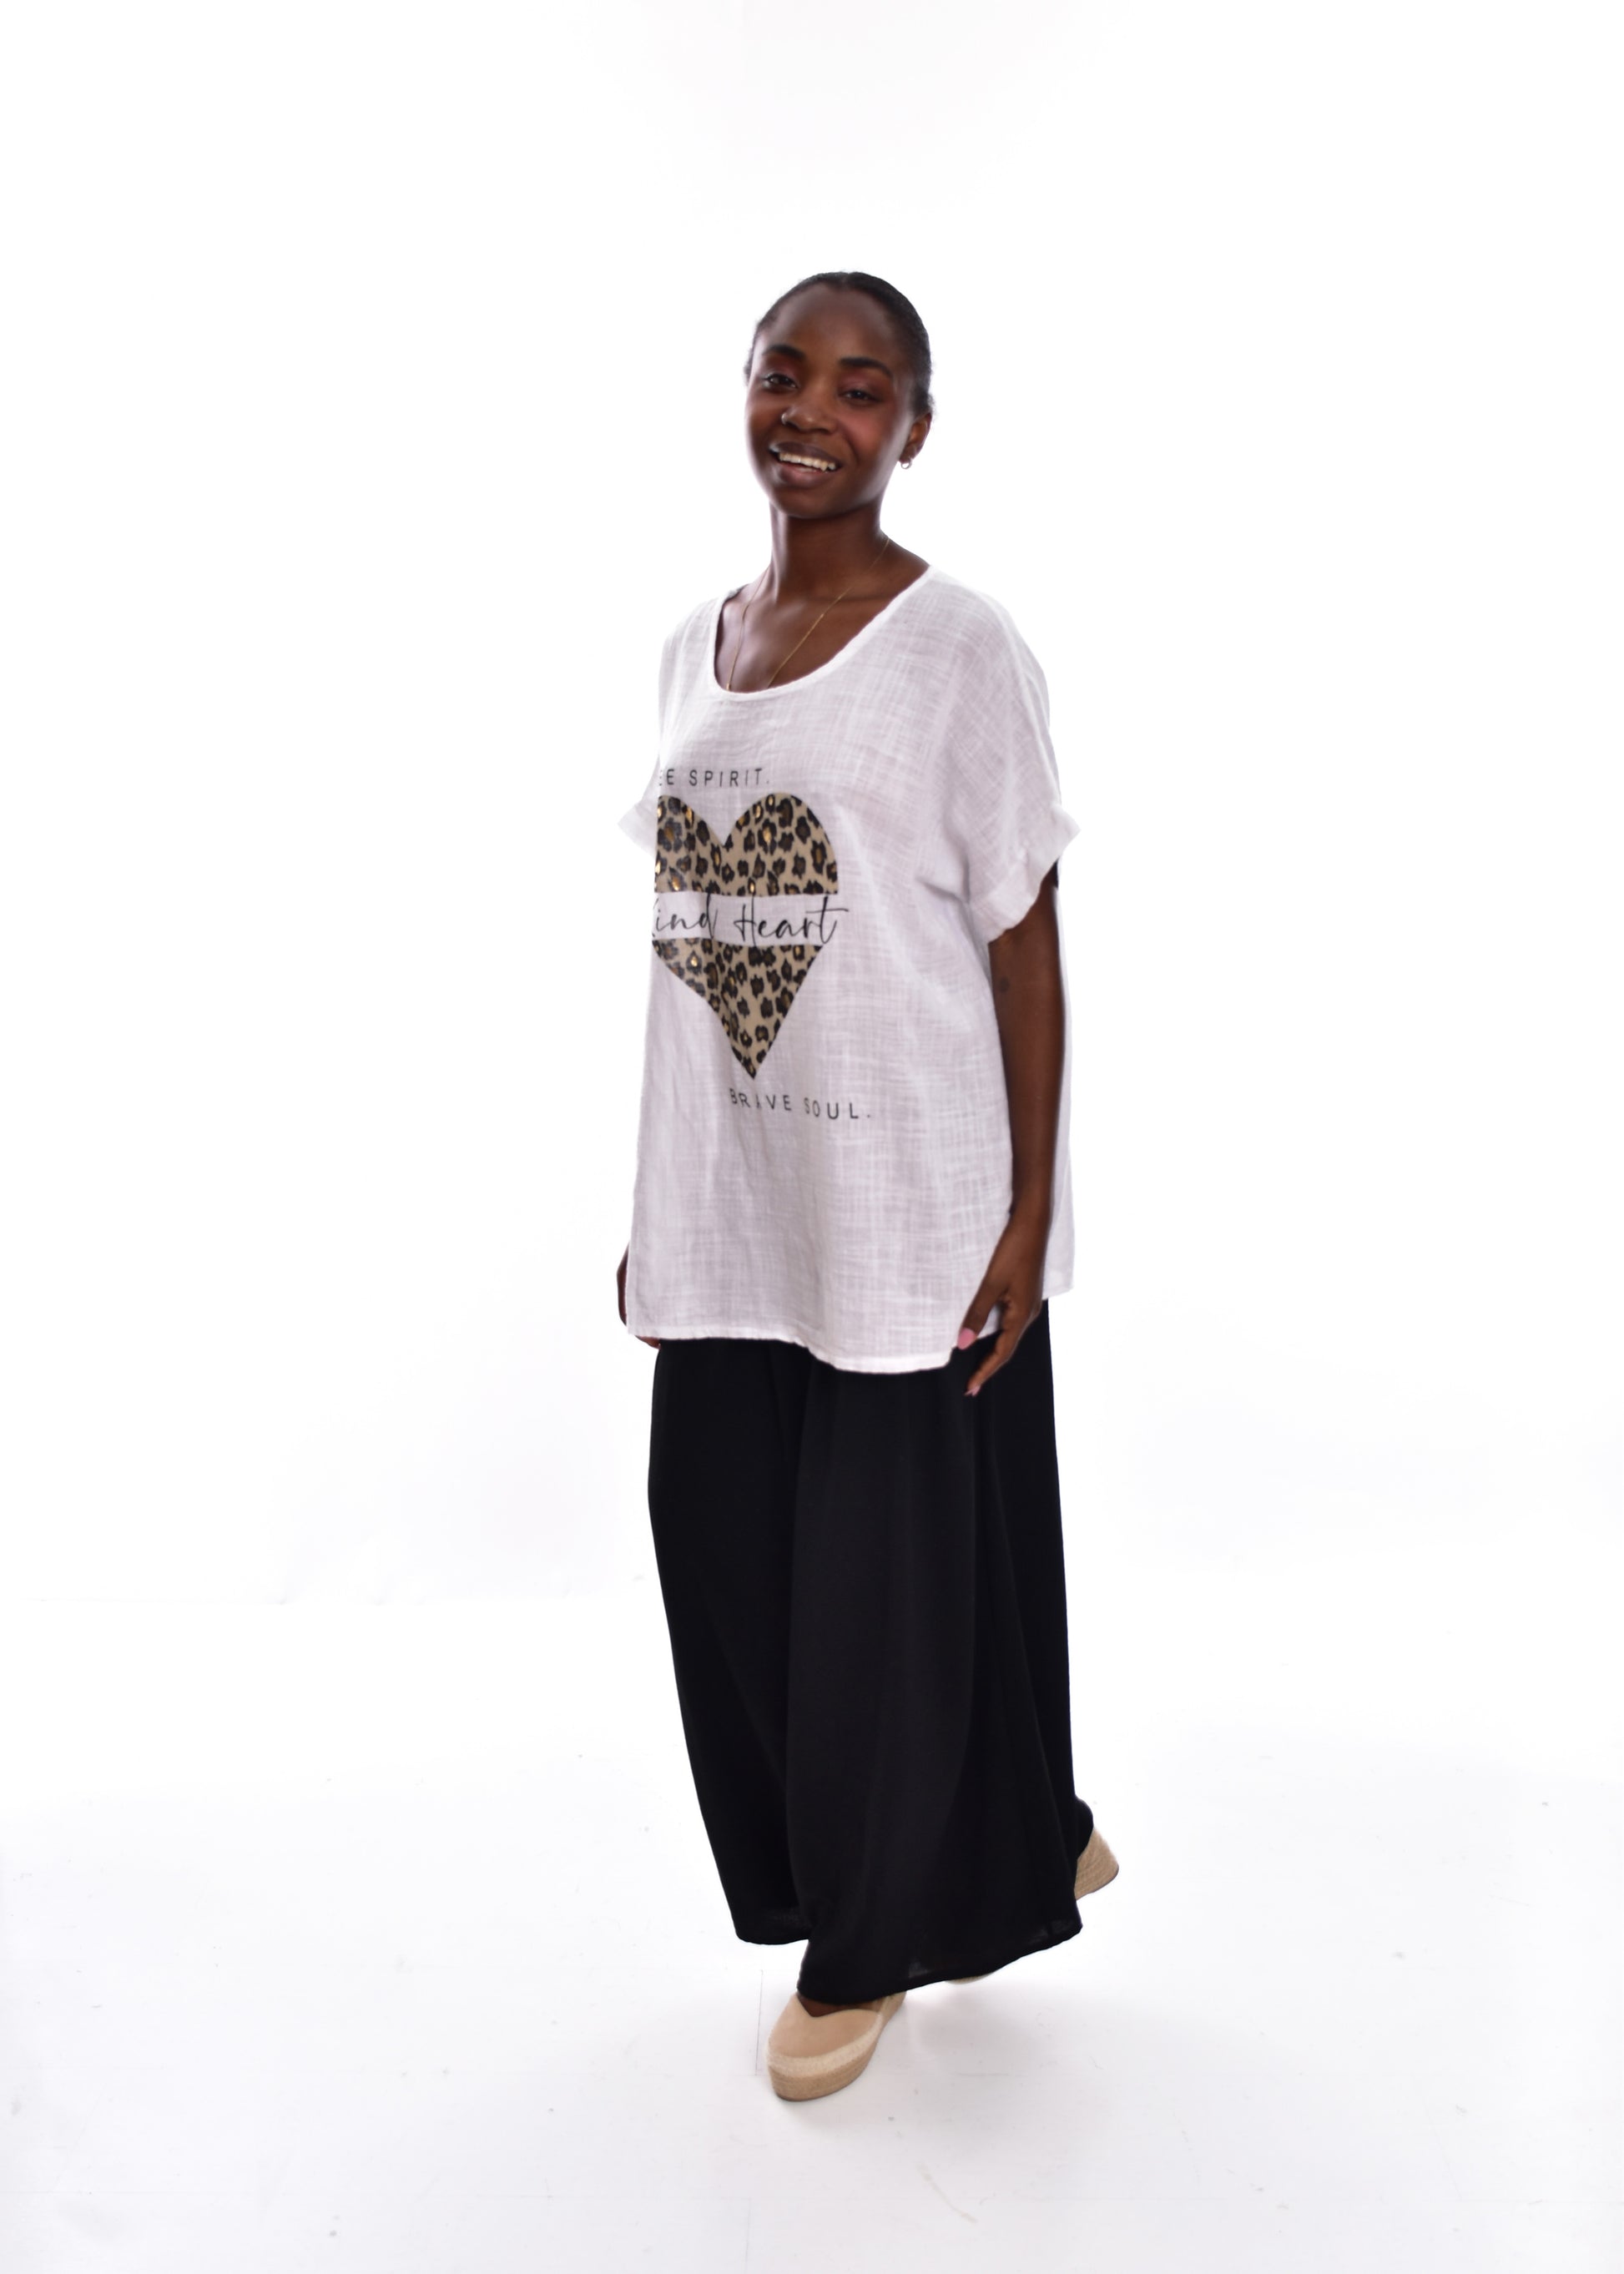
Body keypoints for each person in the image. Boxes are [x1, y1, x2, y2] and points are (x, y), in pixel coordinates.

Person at [615, 270, 1117, 2103]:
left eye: (860, 384)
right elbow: (695, 940)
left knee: (879, 1596)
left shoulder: (956, 649)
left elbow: (1022, 939)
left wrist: (1028, 1215)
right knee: (722, 1554)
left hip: (909, 1196)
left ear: (914, 425)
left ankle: (875, 1933)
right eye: (783, 372)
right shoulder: (692, 646)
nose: (811, 410)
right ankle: (1019, 1827)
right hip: (731, 1209)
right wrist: (660, 1206)